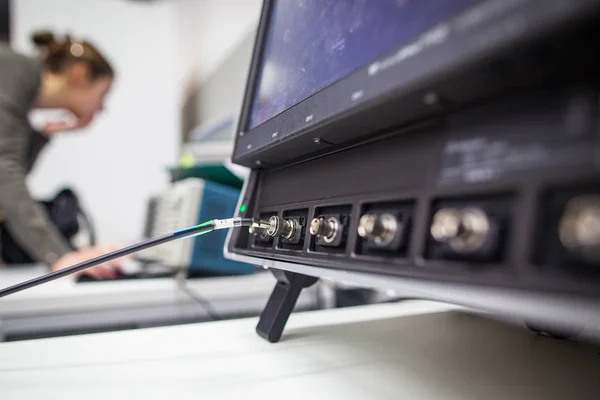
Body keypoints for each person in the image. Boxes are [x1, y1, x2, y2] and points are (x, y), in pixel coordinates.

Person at [0, 31, 123, 279]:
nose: (101, 108)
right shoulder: (18, 70)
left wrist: (46, 133)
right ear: (81, 74)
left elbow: (11, 172)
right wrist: (58, 255)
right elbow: (5, 170)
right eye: (102, 95)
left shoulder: (22, 91)